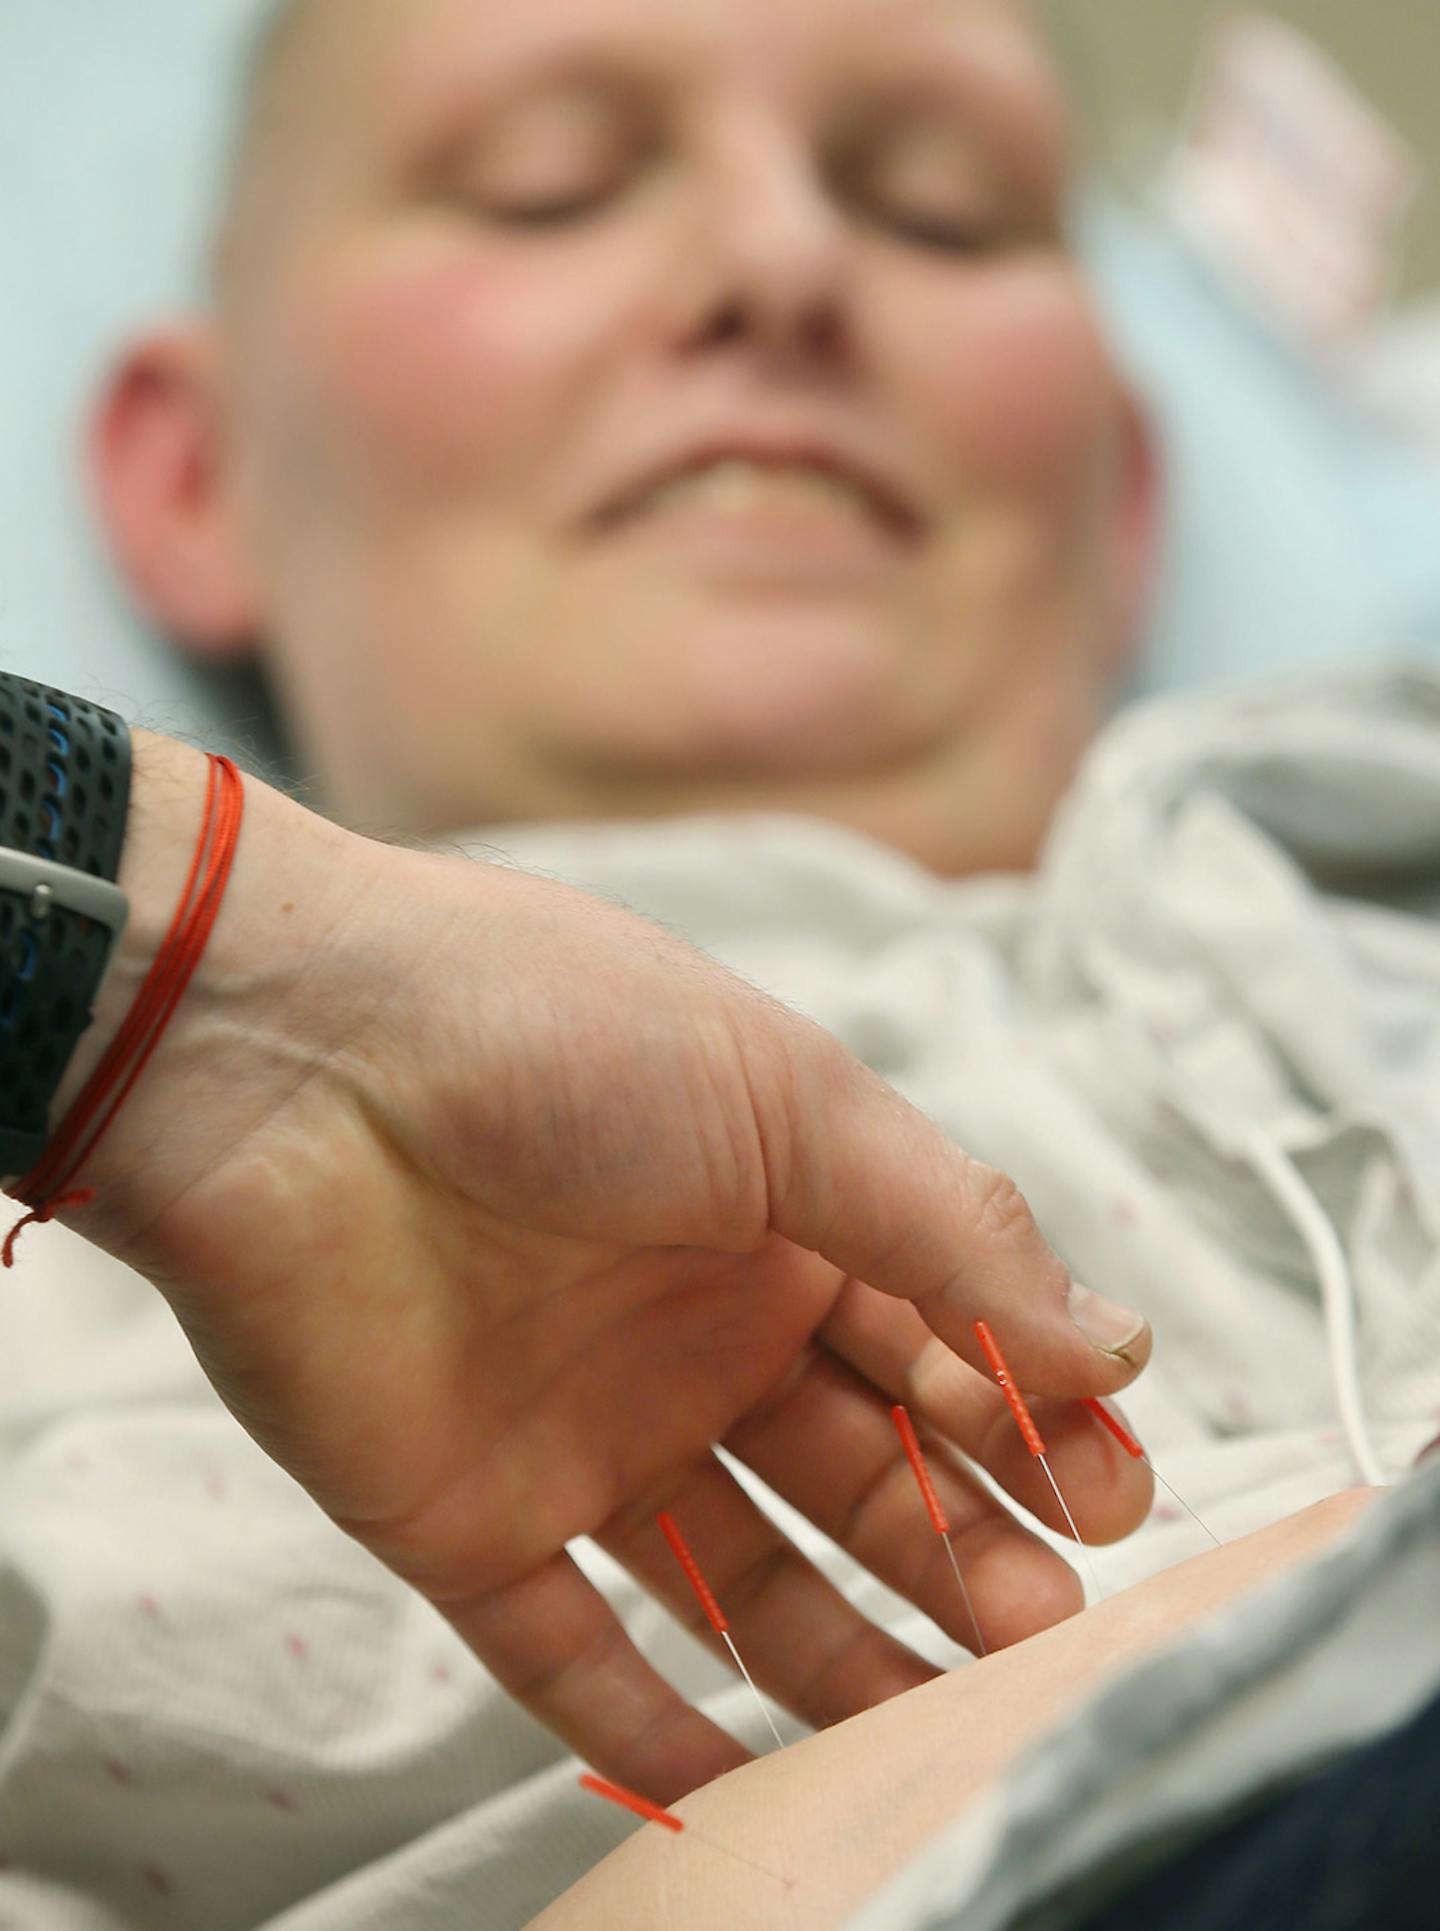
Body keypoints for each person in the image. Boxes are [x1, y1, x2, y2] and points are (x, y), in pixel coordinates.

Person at [4, 0, 1432, 1924]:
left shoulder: (1362, 888)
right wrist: (158, 954)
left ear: (1124, 509)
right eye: (549, 188)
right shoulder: (57, 1159)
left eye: (938, 213)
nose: (781, 266)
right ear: (195, 479)